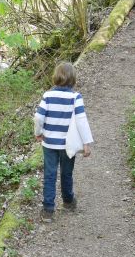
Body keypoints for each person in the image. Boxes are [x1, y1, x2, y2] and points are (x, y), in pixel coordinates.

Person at [33, 62, 93, 222]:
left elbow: (39, 117)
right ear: (73, 78)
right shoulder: (75, 97)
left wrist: (38, 133)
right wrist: (86, 143)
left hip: (49, 143)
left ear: (56, 76)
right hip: (68, 144)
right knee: (67, 173)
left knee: (50, 174)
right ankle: (68, 201)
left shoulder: (47, 95)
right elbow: (81, 120)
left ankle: (48, 210)